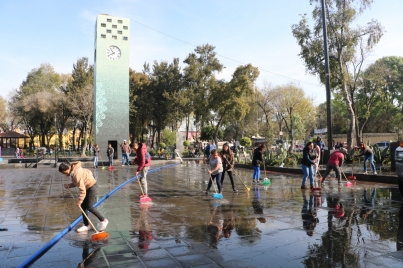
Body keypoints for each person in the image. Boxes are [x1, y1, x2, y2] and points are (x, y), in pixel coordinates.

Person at [59, 161, 108, 233]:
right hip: (88, 187)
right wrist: (69, 185)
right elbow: (77, 182)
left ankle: (103, 220)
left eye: (64, 172)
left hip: (91, 187)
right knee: (83, 206)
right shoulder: (74, 171)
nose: (65, 174)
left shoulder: (76, 173)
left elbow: (82, 190)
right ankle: (86, 225)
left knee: (89, 206)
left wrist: (79, 201)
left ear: (68, 168)